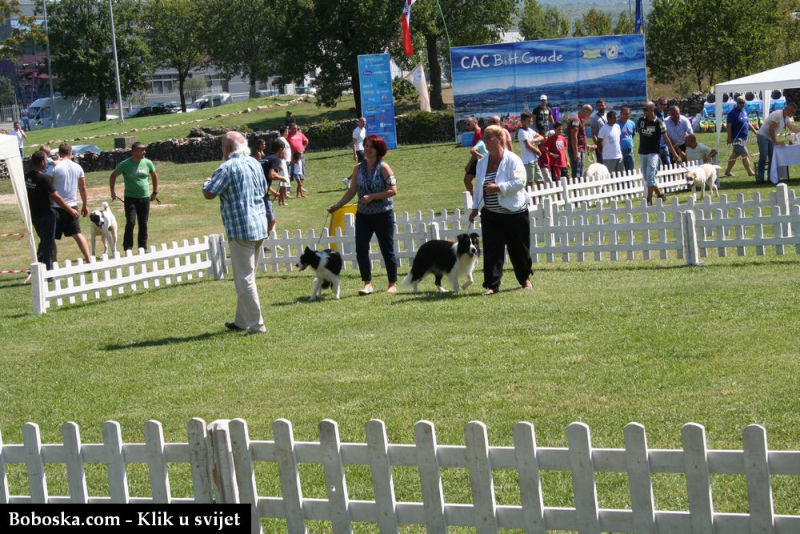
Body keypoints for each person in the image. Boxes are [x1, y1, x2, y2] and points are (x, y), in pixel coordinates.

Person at [202, 131, 269, 336]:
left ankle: (257, 325)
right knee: (247, 277)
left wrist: (206, 182)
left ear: (228, 148)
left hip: (241, 229)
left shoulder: (227, 167)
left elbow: (209, 193)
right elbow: (264, 189)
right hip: (260, 225)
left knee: (244, 279)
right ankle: (241, 321)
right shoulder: (255, 163)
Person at [328, 134, 398, 295]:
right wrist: (337, 206)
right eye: (366, 146)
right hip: (363, 216)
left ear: (379, 150)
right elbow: (352, 191)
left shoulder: (384, 168)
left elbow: (393, 191)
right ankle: (367, 283)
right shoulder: (357, 168)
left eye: (372, 147)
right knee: (360, 248)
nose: (368, 149)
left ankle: (392, 283)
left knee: (387, 249)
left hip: (383, 215)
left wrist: (372, 196)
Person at [468, 125, 533, 295]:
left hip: (514, 212)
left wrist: (498, 188)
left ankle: (525, 279)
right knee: (492, 250)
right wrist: (475, 208)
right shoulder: (482, 162)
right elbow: (479, 186)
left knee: (519, 249)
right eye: (484, 137)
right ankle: (492, 285)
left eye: (488, 137)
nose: (484, 140)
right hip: (490, 213)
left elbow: (520, 182)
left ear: (499, 139)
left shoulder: (513, 159)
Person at [25, 151, 79, 270]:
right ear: (42, 162)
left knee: (44, 241)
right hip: (47, 215)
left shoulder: (28, 176)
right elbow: (56, 197)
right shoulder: (43, 178)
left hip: (34, 215)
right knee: (48, 245)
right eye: (46, 160)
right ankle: (49, 273)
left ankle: (36, 267)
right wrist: (70, 210)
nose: (47, 162)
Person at [109, 142, 159, 252]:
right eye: (142, 150)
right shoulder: (125, 164)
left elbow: (154, 176)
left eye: (144, 149)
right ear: (134, 151)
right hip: (130, 198)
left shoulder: (148, 163)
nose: (144, 152)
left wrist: (155, 192)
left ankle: (142, 247)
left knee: (143, 223)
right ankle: (128, 248)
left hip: (145, 198)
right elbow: (113, 176)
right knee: (131, 222)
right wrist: (112, 191)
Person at [51, 143, 90, 262]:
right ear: (70, 152)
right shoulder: (78, 167)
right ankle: (89, 260)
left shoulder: (55, 167)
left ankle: (54, 263)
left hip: (56, 206)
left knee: (51, 237)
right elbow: (83, 188)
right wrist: (85, 205)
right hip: (72, 206)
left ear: (59, 152)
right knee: (77, 234)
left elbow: (48, 185)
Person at [638, 101, 679, 205]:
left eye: (645, 109)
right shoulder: (641, 120)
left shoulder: (659, 123)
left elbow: (666, 138)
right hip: (642, 152)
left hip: (654, 152)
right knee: (647, 177)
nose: (643, 111)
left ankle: (648, 200)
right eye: (643, 109)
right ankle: (660, 194)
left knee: (651, 175)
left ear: (652, 109)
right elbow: (639, 131)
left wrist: (674, 153)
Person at [756, 102, 799, 184]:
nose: (793, 114)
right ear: (788, 110)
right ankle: (760, 178)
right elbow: (771, 129)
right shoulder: (778, 114)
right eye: (793, 112)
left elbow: (792, 128)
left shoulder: (786, 118)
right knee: (763, 157)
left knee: (772, 158)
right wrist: (775, 141)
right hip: (763, 136)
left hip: (770, 138)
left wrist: (799, 132)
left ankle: (770, 178)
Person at [261, 139, 290, 237]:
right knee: (271, 220)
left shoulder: (265, 158)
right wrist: (282, 178)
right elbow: (271, 175)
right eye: (284, 149)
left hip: (256, 192)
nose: (285, 151)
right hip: (262, 195)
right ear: (281, 149)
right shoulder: (275, 159)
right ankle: (271, 241)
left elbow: (263, 179)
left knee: (262, 219)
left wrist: (273, 192)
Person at [724, 95, 758, 178]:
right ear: (737, 103)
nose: (742, 104)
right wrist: (729, 138)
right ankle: (750, 172)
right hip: (736, 138)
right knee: (745, 154)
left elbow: (747, 123)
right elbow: (728, 125)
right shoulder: (732, 113)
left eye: (743, 103)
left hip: (744, 138)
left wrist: (755, 132)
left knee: (735, 155)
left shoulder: (744, 111)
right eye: (740, 103)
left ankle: (727, 171)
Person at [517, 111, 544, 188]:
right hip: (528, 161)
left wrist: (533, 140)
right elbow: (528, 145)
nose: (530, 123)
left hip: (534, 159)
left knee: (540, 181)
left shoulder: (529, 130)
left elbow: (541, 137)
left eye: (530, 121)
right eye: (528, 121)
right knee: (529, 182)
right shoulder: (521, 131)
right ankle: (528, 195)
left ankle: (540, 195)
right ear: (522, 121)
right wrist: (537, 151)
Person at [568, 104, 592, 178]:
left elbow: (580, 136)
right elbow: (573, 137)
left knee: (580, 171)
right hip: (577, 150)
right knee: (577, 173)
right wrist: (576, 152)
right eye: (589, 114)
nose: (588, 116)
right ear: (585, 111)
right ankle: (576, 186)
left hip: (581, 149)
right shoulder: (576, 120)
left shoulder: (581, 120)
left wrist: (586, 145)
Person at [597, 110, 623, 174]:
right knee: (610, 175)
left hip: (619, 155)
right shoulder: (604, 128)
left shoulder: (617, 126)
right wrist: (601, 150)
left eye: (616, 117)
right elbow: (599, 141)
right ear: (608, 118)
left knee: (620, 175)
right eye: (614, 118)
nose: (616, 119)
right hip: (608, 157)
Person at [286, 123, 308, 196]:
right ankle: (287, 187)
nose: (295, 129)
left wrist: (303, 148)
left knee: (301, 171)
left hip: (301, 156)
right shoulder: (287, 135)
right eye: (293, 128)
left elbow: (306, 140)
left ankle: (300, 186)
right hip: (292, 156)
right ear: (289, 129)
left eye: (296, 128)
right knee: (290, 172)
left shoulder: (300, 134)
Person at [618, 107, 636, 173]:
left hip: (630, 150)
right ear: (620, 114)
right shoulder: (616, 124)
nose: (625, 115)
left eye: (627, 114)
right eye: (623, 114)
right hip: (620, 151)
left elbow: (633, 135)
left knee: (631, 170)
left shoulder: (632, 123)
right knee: (621, 171)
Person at [589, 100, 607, 164]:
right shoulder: (595, 118)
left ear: (605, 105)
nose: (601, 107)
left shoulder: (608, 116)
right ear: (597, 107)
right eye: (599, 106)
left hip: (608, 144)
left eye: (602, 105)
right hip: (600, 144)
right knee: (601, 163)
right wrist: (598, 146)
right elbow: (593, 134)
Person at [655, 97, 671, 166]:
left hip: (664, 144)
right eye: (661, 104)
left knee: (668, 165)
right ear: (657, 103)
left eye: (665, 104)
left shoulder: (662, 113)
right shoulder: (653, 114)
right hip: (655, 145)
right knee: (657, 165)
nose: (663, 106)